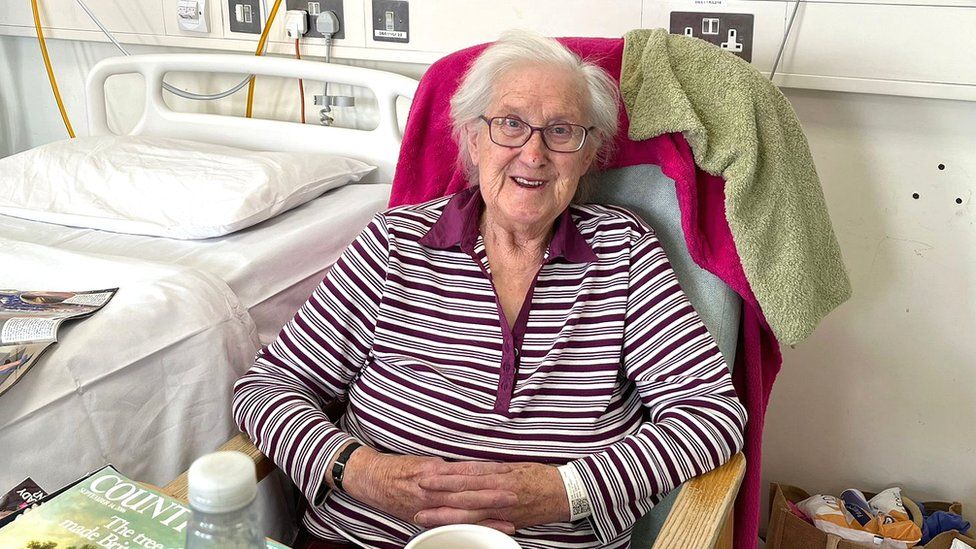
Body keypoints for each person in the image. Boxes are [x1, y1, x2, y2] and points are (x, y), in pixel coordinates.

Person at [233, 29, 747, 549]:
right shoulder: (396, 243)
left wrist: (566, 490)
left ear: (589, 154)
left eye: (562, 131)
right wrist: (359, 470)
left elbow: (712, 415)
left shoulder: (624, 251)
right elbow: (264, 389)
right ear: (473, 140)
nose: (533, 153)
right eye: (510, 125)